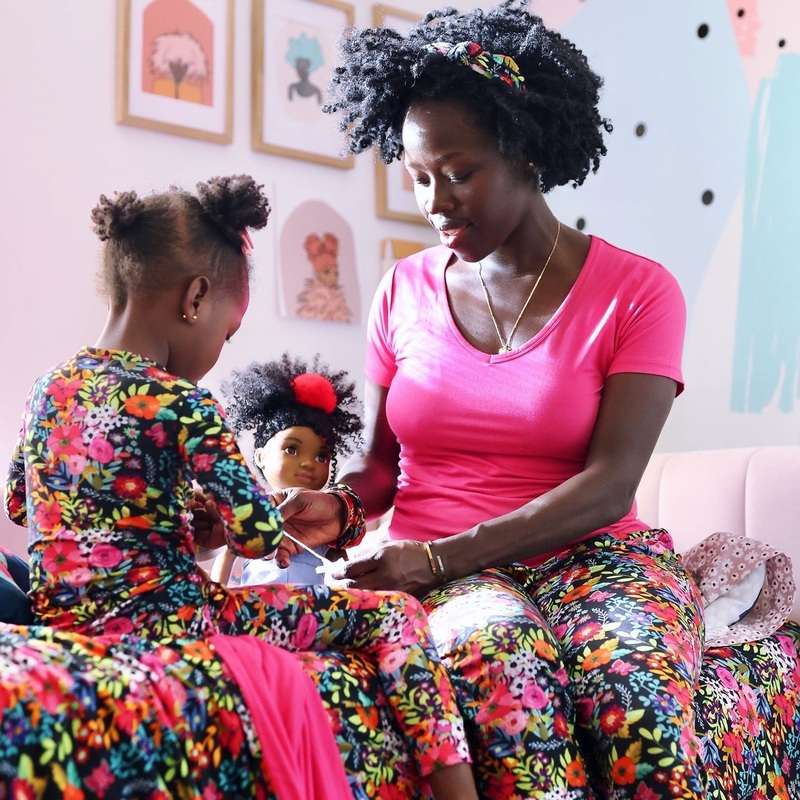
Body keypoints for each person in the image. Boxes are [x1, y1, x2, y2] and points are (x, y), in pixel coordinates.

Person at [277, 3, 708, 798]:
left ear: (525, 152)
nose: (435, 201)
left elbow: (612, 483)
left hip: (590, 562)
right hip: (447, 575)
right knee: (506, 681)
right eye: (417, 177)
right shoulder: (402, 290)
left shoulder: (639, 293)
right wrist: (333, 510)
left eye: (459, 171)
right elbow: (381, 469)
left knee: (636, 705)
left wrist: (439, 556)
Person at [3, 175, 479, 800]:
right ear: (196, 298)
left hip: (63, 619)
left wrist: (168, 511)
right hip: (173, 626)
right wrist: (232, 520)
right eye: (226, 335)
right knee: (395, 617)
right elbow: (257, 534)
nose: (220, 353)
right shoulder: (181, 401)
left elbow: (19, 500)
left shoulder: (49, 389)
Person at [210, 352, 362, 585]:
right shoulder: (252, 512)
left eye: (321, 456)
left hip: (313, 613)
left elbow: (342, 571)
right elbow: (228, 555)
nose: (308, 463)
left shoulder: (321, 521)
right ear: (260, 457)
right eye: (291, 450)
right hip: (258, 611)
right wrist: (215, 597)